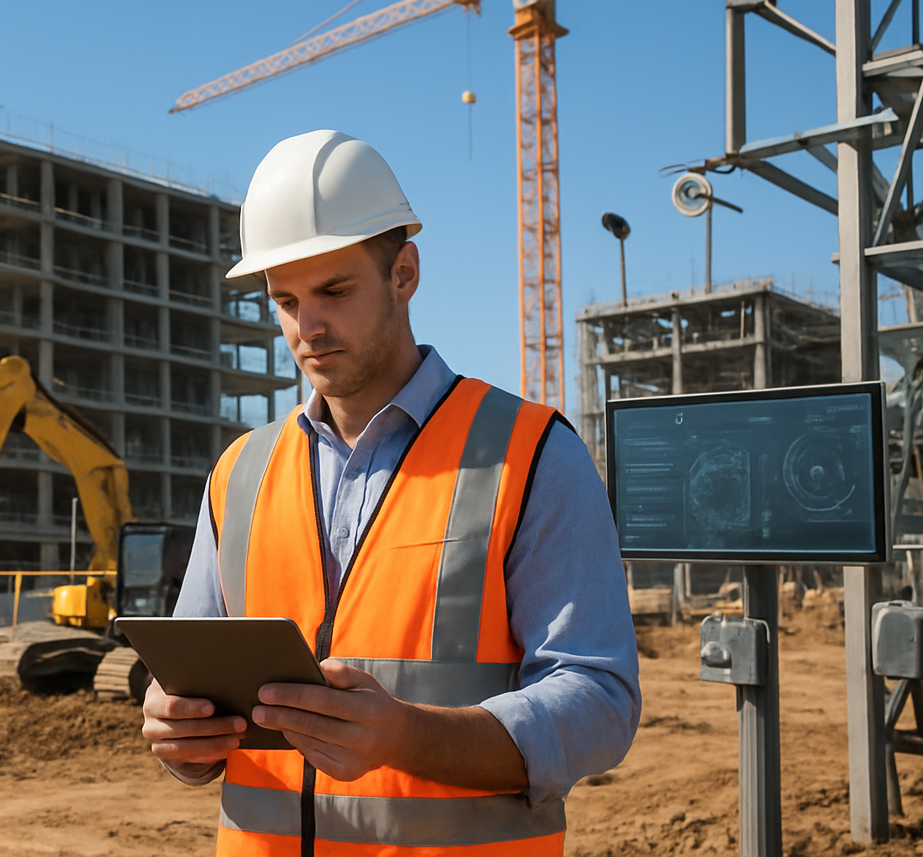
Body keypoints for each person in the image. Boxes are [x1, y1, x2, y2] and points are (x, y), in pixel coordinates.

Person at [141, 131, 640, 856]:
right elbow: (192, 689)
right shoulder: (238, 474)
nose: (307, 327)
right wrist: (180, 732)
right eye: (285, 301)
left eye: (335, 292)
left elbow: (599, 703)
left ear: (404, 273)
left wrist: (409, 736)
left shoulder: (530, 455)